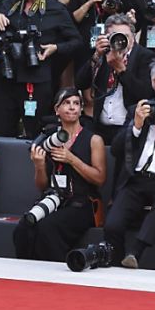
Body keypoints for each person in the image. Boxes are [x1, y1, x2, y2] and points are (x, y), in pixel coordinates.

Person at [106, 57, 155, 268]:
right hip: (137, 178)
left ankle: (136, 252)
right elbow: (115, 149)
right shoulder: (139, 109)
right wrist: (137, 126)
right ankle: (115, 263)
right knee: (112, 225)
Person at [0, 0, 82, 138]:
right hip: (8, 78)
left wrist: (55, 48)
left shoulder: (56, 9)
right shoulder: (9, 6)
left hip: (38, 80)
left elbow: (76, 41)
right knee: (2, 129)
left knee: (36, 133)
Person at [13, 88, 106, 262]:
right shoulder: (49, 138)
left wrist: (72, 159)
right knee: (24, 227)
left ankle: (53, 277)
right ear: (57, 110)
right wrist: (39, 166)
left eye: (76, 103)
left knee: (48, 228)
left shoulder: (93, 139)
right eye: (67, 103)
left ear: (81, 109)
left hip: (82, 203)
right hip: (53, 199)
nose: (72, 107)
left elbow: (100, 178)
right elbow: (42, 186)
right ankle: (25, 275)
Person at [74, 14, 155, 144]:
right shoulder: (103, 54)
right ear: (106, 37)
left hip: (130, 127)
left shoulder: (146, 57)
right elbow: (80, 83)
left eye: (125, 37)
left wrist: (121, 69)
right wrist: (96, 56)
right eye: (114, 36)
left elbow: (144, 93)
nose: (120, 41)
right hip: (101, 128)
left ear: (133, 37)